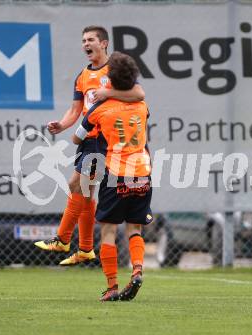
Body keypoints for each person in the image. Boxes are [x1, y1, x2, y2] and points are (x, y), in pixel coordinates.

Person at [34, 26, 145, 266]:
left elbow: (138, 93)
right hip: (88, 138)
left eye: (91, 39)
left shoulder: (114, 70)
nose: (86, 43)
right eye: (83, 40)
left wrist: (108, 92)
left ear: (104, 43)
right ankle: (84, 248)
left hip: (102, 138)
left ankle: (63, 239)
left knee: (77, 185)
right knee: (85, 191)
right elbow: (76, 110)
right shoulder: (82, 76)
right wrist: (62, 125)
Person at [73, 51, 153, 302]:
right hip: (143, 174)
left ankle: (112, 286)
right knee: (135, 228)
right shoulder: (142, 106)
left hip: (116, 175)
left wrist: (99, 105)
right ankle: (137, 269)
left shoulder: (100, 109)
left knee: (108, 231)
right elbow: (137, 95)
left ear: (110, 81)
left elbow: (76, 137)